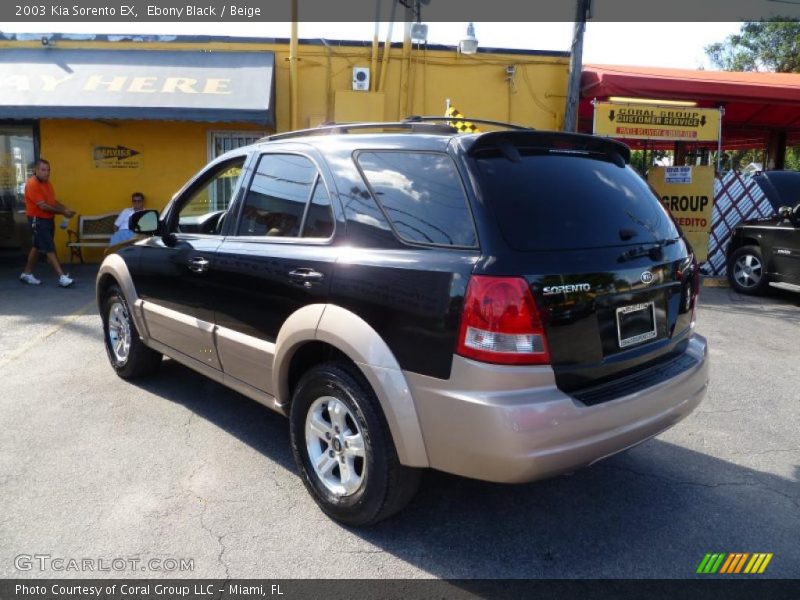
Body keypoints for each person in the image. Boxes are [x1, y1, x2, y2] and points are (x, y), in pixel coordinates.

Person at [20, 158, 76, 287]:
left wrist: (65, 209)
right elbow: (43, 206)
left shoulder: (47, 183)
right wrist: (62, 213)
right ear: (35, 170)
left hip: (48, 220)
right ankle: (62, 277)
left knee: (37, 246)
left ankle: (26, 273)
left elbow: (52, 202)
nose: (47, 173)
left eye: (48, 170)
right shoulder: (32, 184)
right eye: (43, 170)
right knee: (49, 247)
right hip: (38, 220)